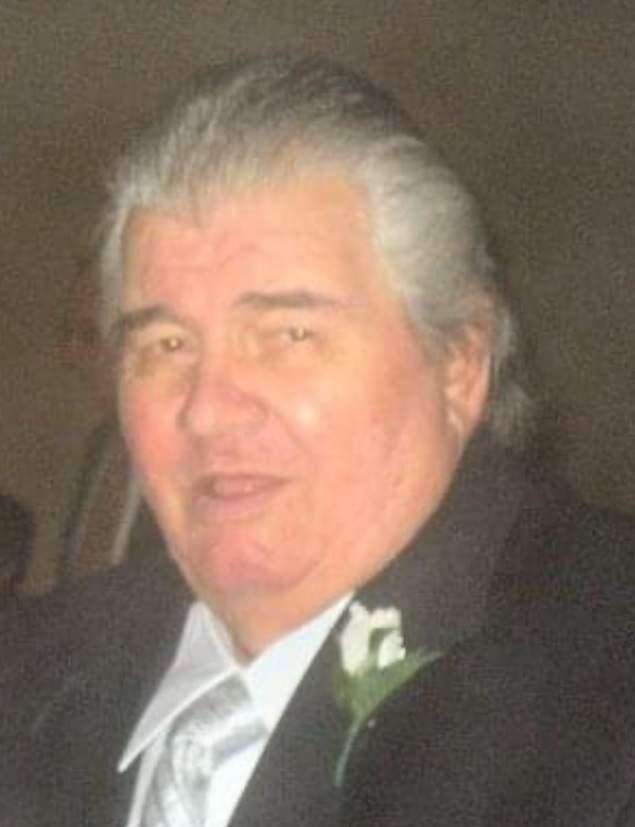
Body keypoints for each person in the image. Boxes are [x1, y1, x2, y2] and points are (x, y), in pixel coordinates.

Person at [2, 54, 635, 827]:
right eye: (166, 345)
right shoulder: (27, 666)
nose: (207, 409)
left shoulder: (602, 693)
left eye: (288, 334)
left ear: (459, 363)